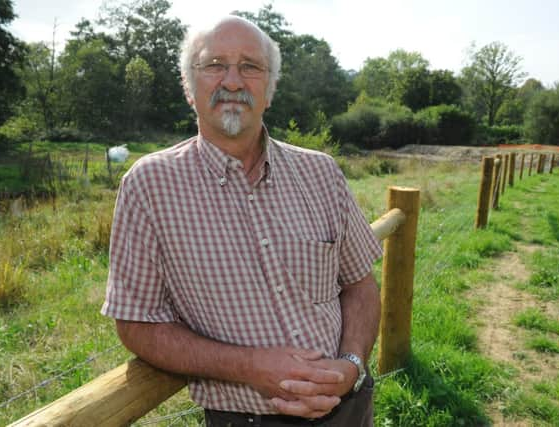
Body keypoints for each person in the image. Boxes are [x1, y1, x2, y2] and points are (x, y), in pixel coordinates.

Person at [101, 15, 382, 427]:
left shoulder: (321, 172)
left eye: (250, 67)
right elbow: (136, 323)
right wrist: (250, 366)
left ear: (269, 90)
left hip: (349, 408)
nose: (232, 81)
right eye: (214, 64)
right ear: (188, 87)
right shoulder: (149, 186)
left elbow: (360, 283)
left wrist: (352, 364)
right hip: (245, 419)